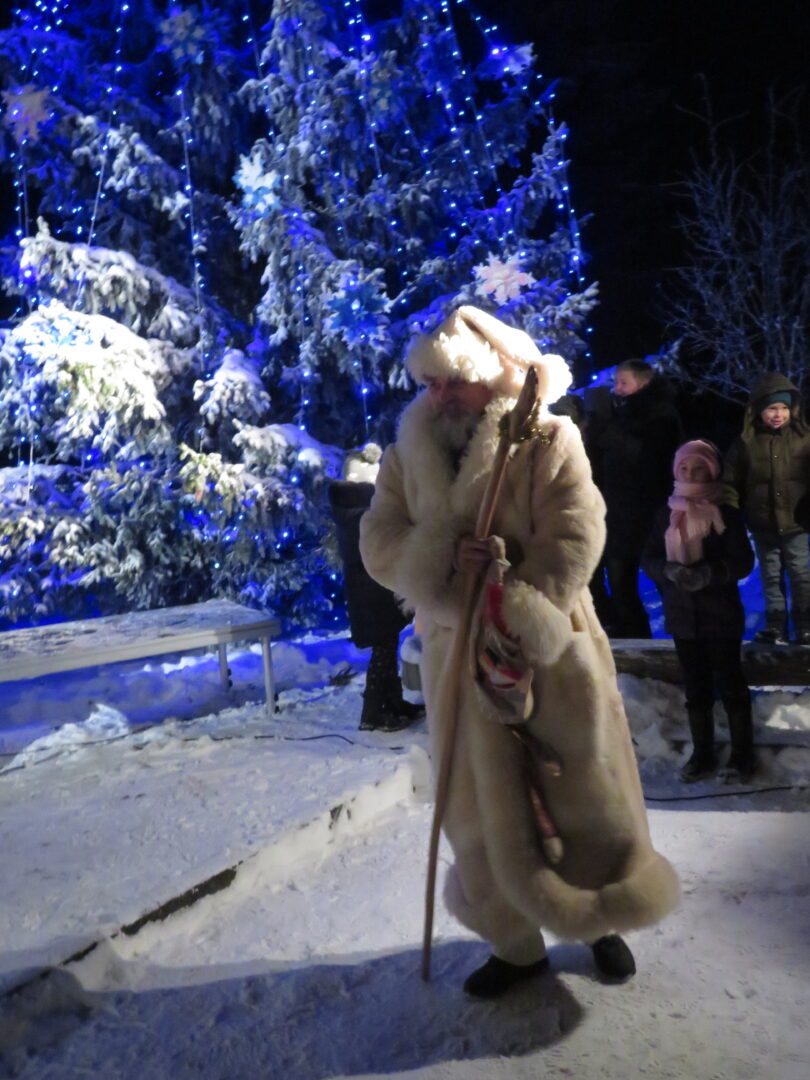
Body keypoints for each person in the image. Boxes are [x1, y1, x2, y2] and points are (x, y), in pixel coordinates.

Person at [360, 306, 679, 998]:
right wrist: (443, 560)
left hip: (548, 645)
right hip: (455, 651)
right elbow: (379, 539)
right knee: (477, 803)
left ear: (494, 374)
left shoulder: (547, 436)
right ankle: (514, 943)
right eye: (431, 382)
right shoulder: (406, 452)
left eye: (454, 380)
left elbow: (579, 531)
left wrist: (513, 597)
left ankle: (598, 915)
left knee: (579, 786)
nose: (440, 395)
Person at [642, 440, 756, 784]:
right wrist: (669, 571)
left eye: (699, 468)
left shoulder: (726, 513)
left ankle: (742, 755)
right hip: (683, 616)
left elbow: (743, 560)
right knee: (696, 691)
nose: (691, 474)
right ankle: (702, 754)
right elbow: (649, 558)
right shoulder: (665, 513)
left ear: (713, 471)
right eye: (685, 468)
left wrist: (711, 573)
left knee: (731, 687)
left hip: (720, 615)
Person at [328, 444, 424, 732]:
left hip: (373, 592)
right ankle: (373, 712)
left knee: (387, 646)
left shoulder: (350, 509)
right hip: (372, 593)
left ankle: (391, 703)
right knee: (383, 650)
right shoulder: (362, 513)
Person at [586, 359, 683, 638]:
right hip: (618, 515)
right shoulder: (617, 414)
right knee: (620, 585)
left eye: (624, 383)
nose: (617, 388)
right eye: (615, 382)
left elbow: (654, 461)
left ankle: (685, 641)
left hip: (652, 513)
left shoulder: (662, 415)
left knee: (665, 582)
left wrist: (609, 434)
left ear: (644, 383)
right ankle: (635, 642)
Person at [721, 373, 810, 646]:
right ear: (758, 410)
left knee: (801, 575)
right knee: (771, 577)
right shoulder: (745, 443)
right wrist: (731, 511)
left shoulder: (804, 439)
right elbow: (730, 482)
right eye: (772, 408)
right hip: (763, 524)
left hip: (797, 523)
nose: (778, 414)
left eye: (784, 408)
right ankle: (775, 626)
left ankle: (805, 625)